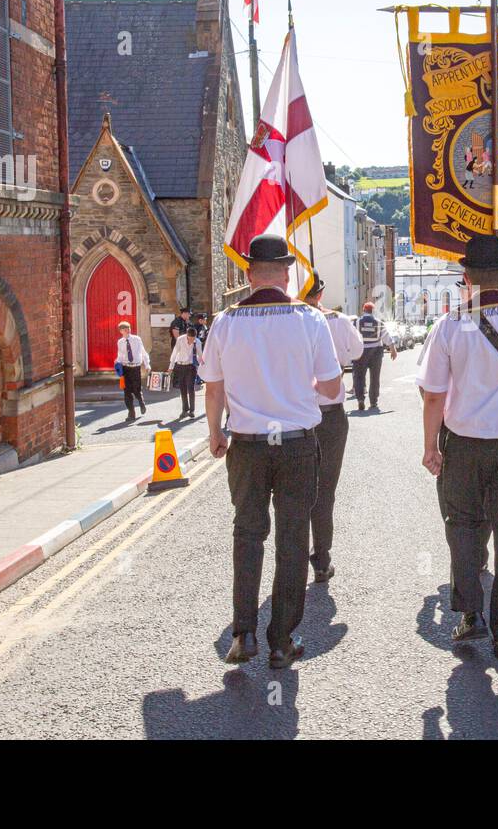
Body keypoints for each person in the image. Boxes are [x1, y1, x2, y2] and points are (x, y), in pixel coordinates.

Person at [200, 234, 343, 669]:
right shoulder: (310, 319)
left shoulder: (225, 322)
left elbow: (214, 386)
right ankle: (281, 640)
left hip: (247, 444)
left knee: (247, 533)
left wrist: (214, 433)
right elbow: (333, 386)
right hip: (297, 443)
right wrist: (302, 390)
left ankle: (243, 634)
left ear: (247, 274)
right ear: (287, 273)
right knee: (293, 537)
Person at [417, 233, 498, 657]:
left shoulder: (449, 324)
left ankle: (470, 616)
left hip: (464, 445)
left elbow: (433, 395)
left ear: (466, 276)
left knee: (464, 528)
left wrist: (429, 446)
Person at [301, 271, 363, 582]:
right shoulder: (337, 320)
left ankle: (294, 558)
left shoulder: (292, 321)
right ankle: (321, 558)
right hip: (331, 414)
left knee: (296, 491)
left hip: (297, 416)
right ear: (321, 294)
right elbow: (358, 351)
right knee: (325, 491)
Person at [352, 300, 397, 411]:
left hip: (360, 352)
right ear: (373, 311)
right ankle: (373, 402)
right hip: (375, 352)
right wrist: (393, 349)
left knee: (359, 376)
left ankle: (360, 399)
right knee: (374, 377)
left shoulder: (356, 322)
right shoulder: (378, 322)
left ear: (363, 310)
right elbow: (386, 336)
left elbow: (350, 336)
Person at [115, 321, 150, 422]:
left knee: (136, 389)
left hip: (135, 368)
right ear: (121, 331)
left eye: (129, 328)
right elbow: (120, 355)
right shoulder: (120, 342)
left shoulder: (137, 339)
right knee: (127, 392)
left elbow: (143, 352)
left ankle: (141, 402)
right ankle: (131, 413)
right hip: (126, 368)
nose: (128, 330)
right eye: (125, 329)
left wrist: (147, 365)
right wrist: (117, 364)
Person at [170, 328, 198, 420]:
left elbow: (200, 355)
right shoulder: (180, 339)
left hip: (191, 367)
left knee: (191, 388)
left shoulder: (197, 342)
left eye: (193, 339)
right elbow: (174, 353)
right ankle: (185, 409)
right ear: (187, 335)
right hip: (180, 366)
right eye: (190, 339)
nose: (191, 341)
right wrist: (171, 366)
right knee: (182, 389)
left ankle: (192, 410)